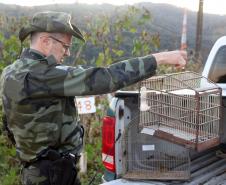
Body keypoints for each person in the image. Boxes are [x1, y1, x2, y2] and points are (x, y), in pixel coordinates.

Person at [0, 11, 187, 185]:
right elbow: (106, 77)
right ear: (46, 41)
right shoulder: (44, 75)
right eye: (65, 46)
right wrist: (159, 59)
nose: (68, 53)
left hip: (35, 169)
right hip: (53, 174)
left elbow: (8, 122)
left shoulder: (10, 71)